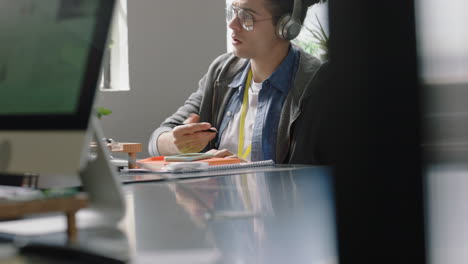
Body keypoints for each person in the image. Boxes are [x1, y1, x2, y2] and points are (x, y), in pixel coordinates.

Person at [149, 0, 329, 164]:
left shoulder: (316, 84)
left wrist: (244, 172)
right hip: (220, 199)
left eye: (246, 17)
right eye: (232, 12)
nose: (232, 24)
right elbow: (157, 138)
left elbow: (322, 174)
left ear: (286, 26)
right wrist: (175, 143)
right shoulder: (222, 72)